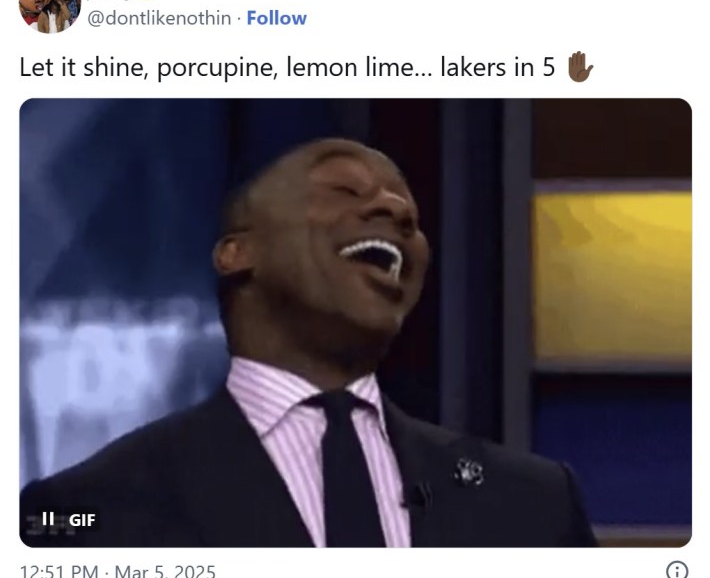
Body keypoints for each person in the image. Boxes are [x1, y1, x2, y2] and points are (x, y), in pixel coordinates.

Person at [20, 138, 597, 547]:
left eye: (411, 215)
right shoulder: (89, 508)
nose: (396, 211)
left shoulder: (535, 502)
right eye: (344, 189)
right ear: (237, 253)